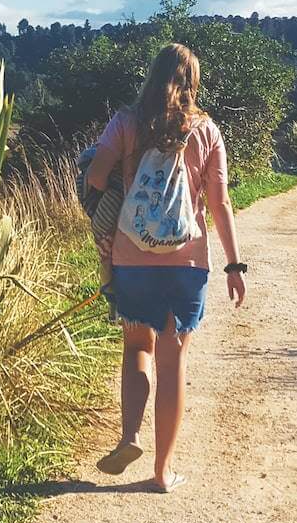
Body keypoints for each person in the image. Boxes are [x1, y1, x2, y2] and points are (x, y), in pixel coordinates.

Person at [84, 43, 247, 493]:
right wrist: (234, 265)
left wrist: (119, 171)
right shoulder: (208, 132)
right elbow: (220, 202)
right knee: (173, 359)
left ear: (151, 77)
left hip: (132, 255)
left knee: (138, 346)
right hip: (187, 259)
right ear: (193, 82)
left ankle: (129, 436)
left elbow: (96, 178)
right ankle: (162, 471)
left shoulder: (125, 123)